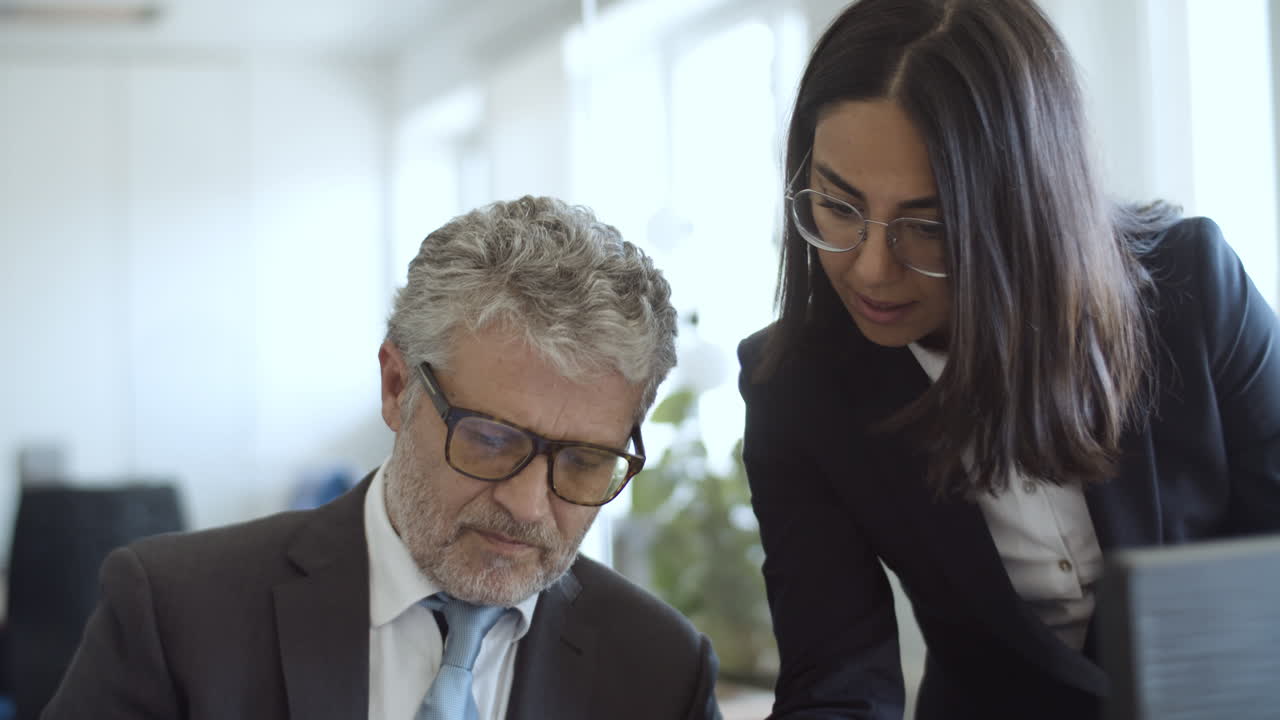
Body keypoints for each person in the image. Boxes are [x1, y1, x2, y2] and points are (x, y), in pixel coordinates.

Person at [737, 0, 1280, 718]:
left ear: (1025, 207)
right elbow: (836, 683)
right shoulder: (798, 389)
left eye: (926, 226)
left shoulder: (1193, 294)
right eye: (839, 208)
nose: (869, 269)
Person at [45, 196, 723, 720]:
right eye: (491, 439)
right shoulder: (176, 614)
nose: (526, 504)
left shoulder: (662, 670)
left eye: (582, 461)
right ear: (397, 387)